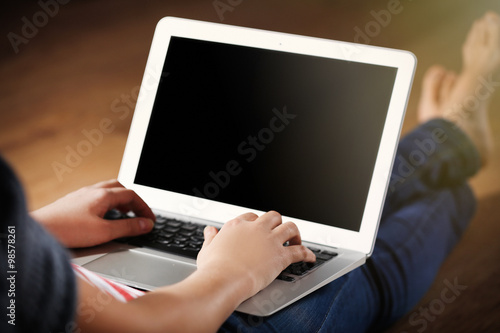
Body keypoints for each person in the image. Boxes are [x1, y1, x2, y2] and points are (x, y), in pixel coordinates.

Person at [1, 11, 499, 333]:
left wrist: (31, 231)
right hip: (208, 320)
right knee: (354, 265)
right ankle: (454, 146)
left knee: (321, 215)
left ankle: (450, 139)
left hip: (87, 273)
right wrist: (230, 274)